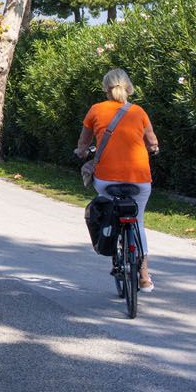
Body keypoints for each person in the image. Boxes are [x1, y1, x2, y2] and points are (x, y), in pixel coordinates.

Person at [74, 68, 159, 291]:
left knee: (109, 207)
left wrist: (82, 152)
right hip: (139, 179)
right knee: (138, 221)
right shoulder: (139, 112)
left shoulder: (95, 110)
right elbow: (152, 142)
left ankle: (112, 240)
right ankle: (144, 275)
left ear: (106, 89)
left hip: (106, 179)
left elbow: (83, 143)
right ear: (128, 88)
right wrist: (154, 149)